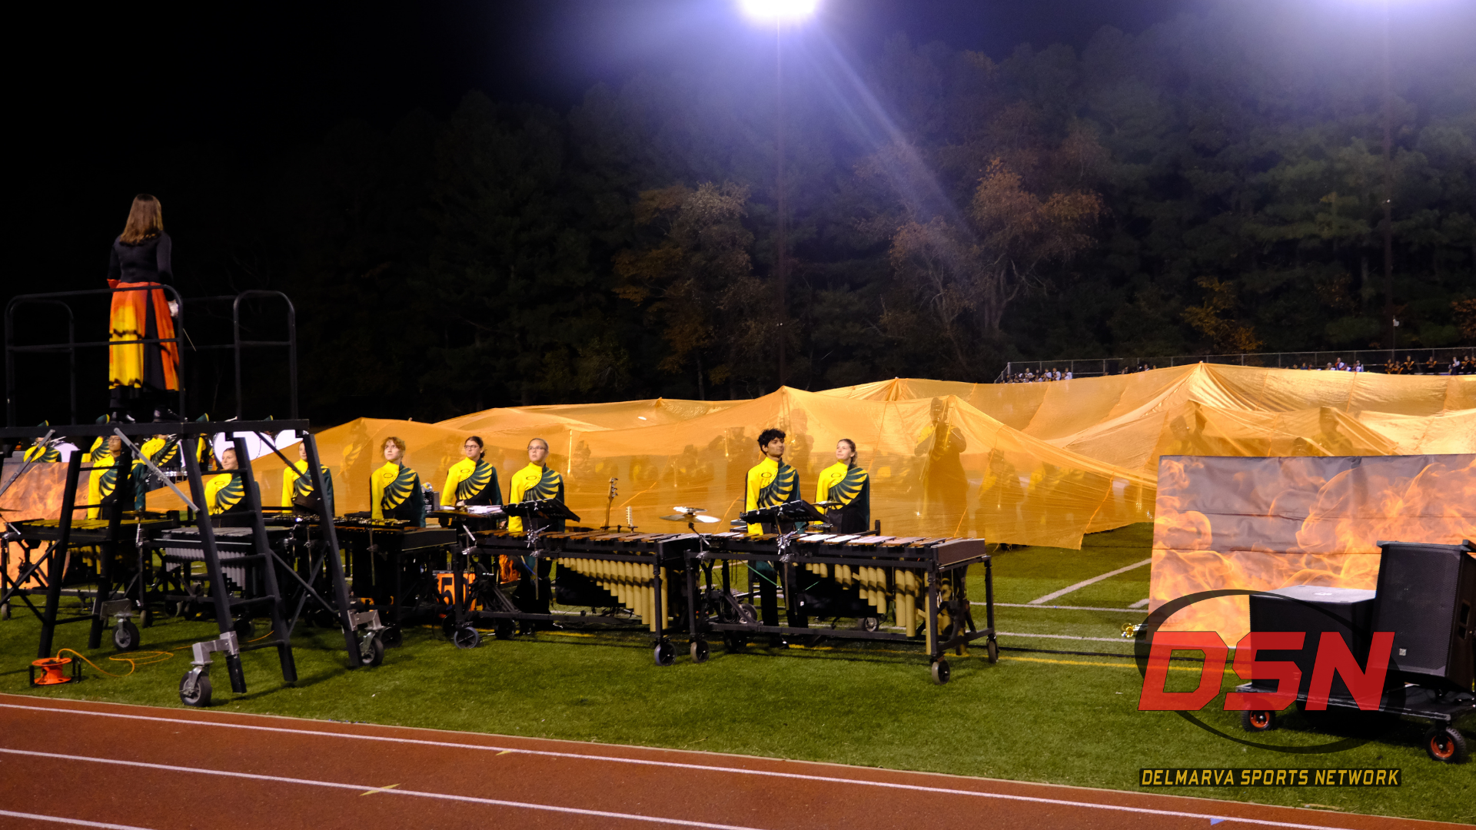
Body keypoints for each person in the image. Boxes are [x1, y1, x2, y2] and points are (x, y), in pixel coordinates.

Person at [107, 194, 180, 420]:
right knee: (157, 348)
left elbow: (112, 276)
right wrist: (171, 299)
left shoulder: (119, 241)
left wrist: (124, 293)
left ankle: (119, 409)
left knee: (124, 349)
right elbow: (164, 270)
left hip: (121, 300)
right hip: (149, 295)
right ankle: (161, 407)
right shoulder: (160, 238)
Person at [744, 428, 801, 534]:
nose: (780, 445)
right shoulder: (755, 472)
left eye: (782, 441)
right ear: (764, 447)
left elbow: (796, 503)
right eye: (775, 442)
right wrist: (756, 534)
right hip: (765, 528)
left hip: (788, 528)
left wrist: (800, 530)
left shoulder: (792, 471)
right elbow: (751, 505)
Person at [507, 438, 564, 533]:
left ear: (547, 453)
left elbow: (561, 509)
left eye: (538, 448)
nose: (534, 451)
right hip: (528, 529)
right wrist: (515, 532)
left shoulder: (556, 477)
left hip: (552, 530)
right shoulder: (519, 476)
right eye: (531, 448)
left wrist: (561, 531)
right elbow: (514, 506)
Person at [815, 438, 870, 534]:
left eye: (844, 448)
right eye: (838, 448)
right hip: (833, 520)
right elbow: (820, 501)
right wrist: (818, 526)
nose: (839, 450)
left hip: (856, 522)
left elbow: (865, 505)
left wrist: (866, 528)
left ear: (852, 453)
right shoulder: (826, 473)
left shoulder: (862, 474)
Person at [370, 437, 424, 526]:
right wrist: (378, 527)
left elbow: (419, 505)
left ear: (402, 451)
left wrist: (421, 526)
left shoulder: (412, 474)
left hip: (410, 526)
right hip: (388, 526)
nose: (389, 450)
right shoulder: (378, 474)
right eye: (386, 447)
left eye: (394, 446)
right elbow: (376, 506)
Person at [443, 436, 502, 509]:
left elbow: (496, 496)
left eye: (473, 446)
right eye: (467, 446)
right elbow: (447, 496)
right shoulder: (456, 468)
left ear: (481, 449)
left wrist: (500, 514)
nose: (469, 449)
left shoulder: (490, 469)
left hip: (484, 513)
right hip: (463, 512)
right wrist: (443, 514)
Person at [281, 439, 335, 516]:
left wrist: (329, 516)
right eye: (300, 449)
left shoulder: (323, 470)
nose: (303, 452)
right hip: (298, 511)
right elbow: (287, 494)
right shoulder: (290, 470)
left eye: (306, 449)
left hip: (318, 512)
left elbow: (328, 495)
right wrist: (286, 515)